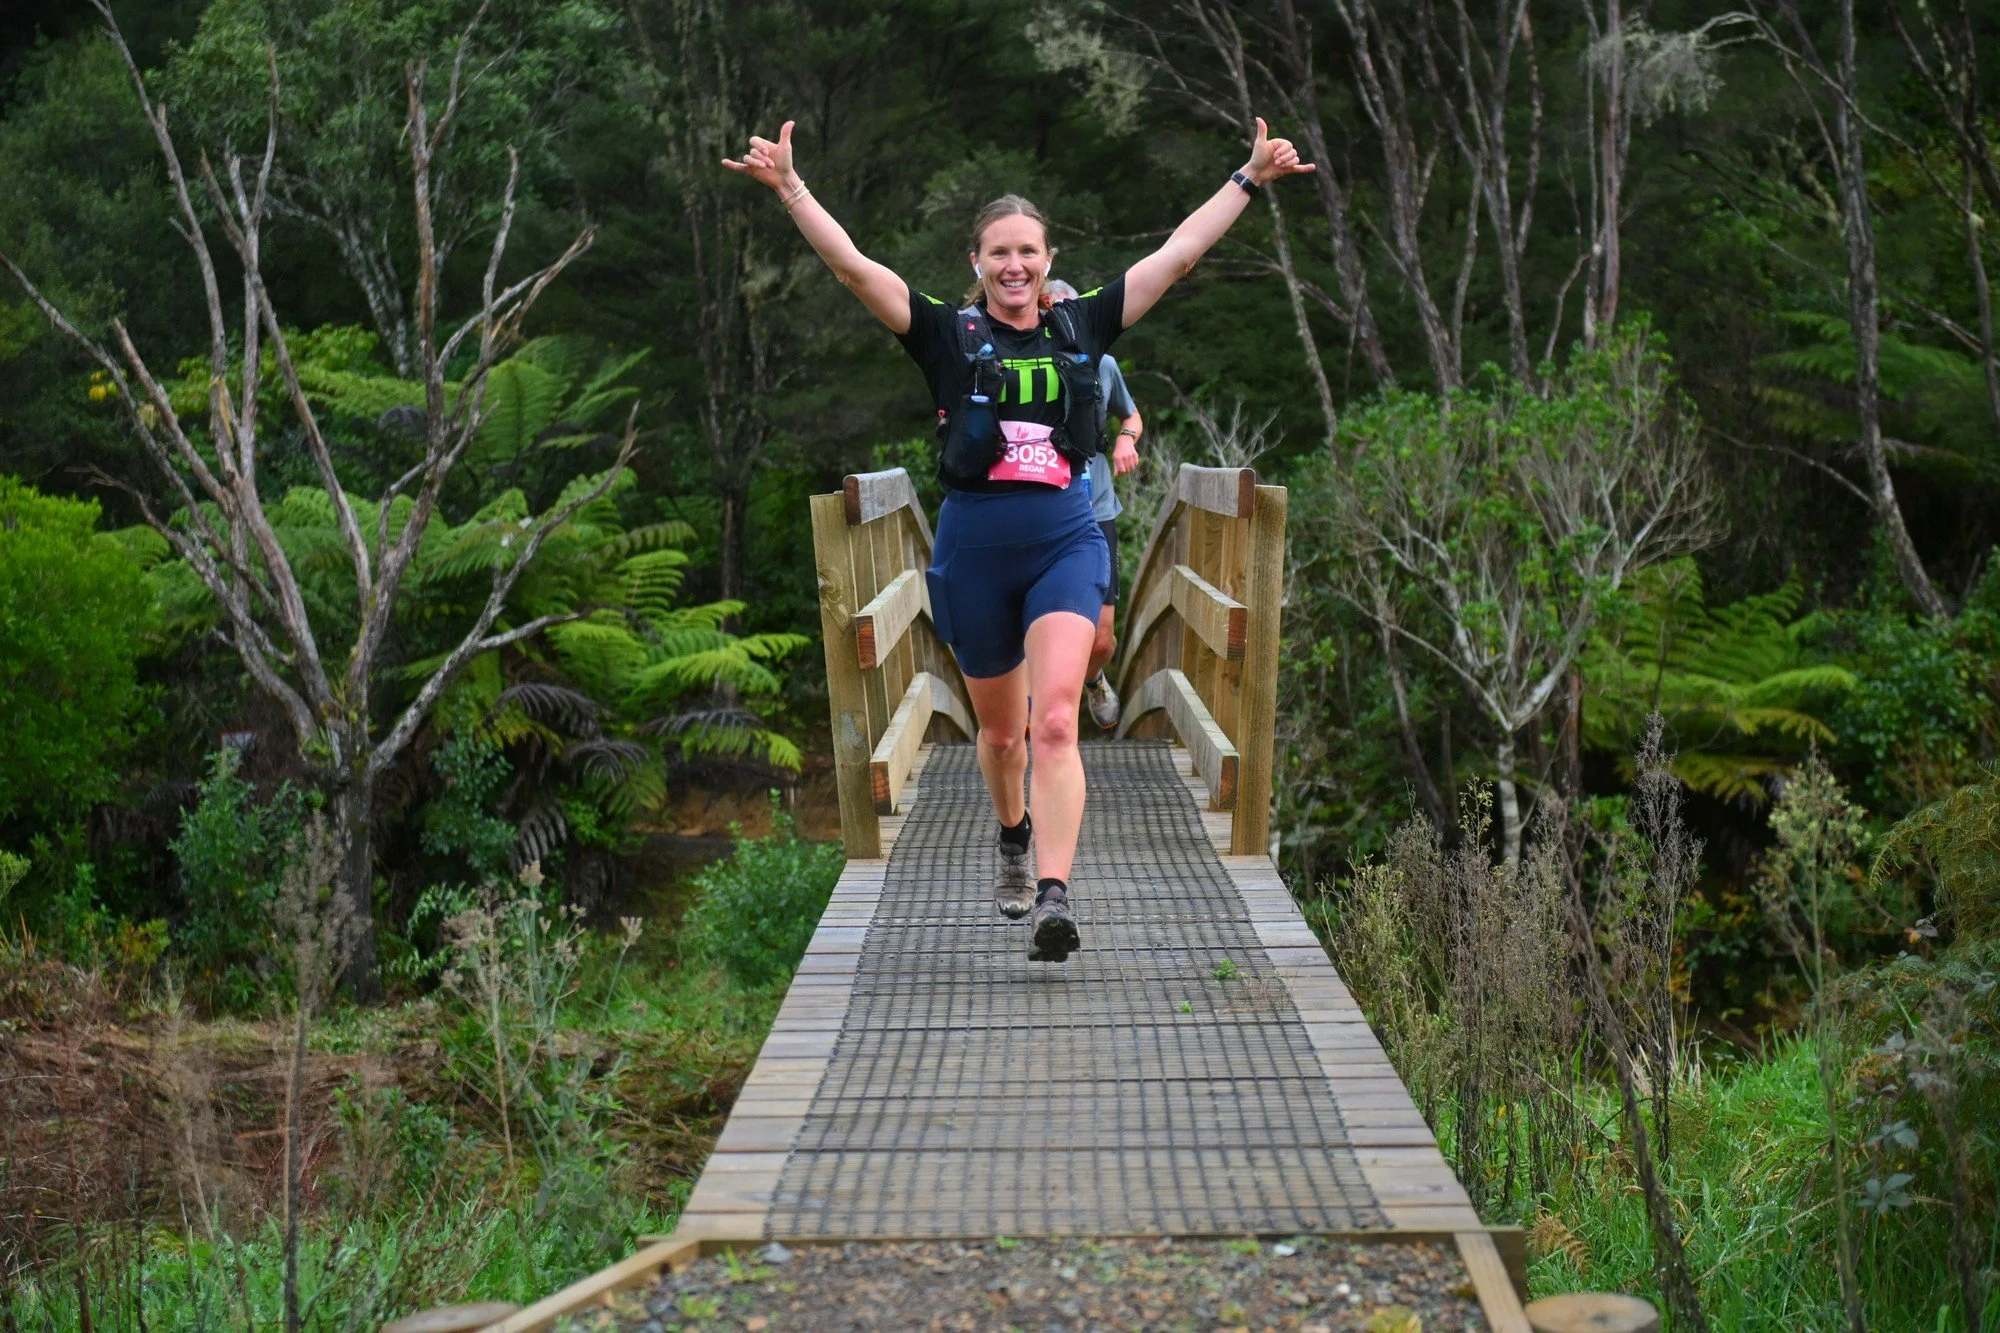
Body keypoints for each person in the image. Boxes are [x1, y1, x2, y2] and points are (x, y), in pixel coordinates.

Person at [724, 117, 1313, 962]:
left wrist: (1248, 178)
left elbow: (1177, 255)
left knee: (1058, 722)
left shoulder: (1081, 329)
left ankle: (1053, 894)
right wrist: (791, 187)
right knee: (1000, 737)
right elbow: (855, 270)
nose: (1015, 266)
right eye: (999, 252)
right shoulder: (945, 337)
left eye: (1029, 251)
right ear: (977, 262)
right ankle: (1011, 834)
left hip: (1068, 543)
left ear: (1048, 258)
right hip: (974, 554)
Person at [1046, 278, 1141, 731]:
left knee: (1102, 637)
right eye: (1055, 311)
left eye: (1073, 311)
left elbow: (1132, 414)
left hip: (1095, 508)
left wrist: (1126, 439)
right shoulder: (1022, 362)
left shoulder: (1102, 362)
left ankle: (1094, 679)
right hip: (1040, 507)